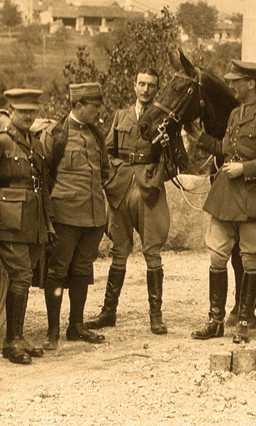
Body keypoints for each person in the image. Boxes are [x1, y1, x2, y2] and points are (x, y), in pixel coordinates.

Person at [187, 60, 256, 343]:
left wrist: (246, 169)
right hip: (226, 197)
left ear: (251, 84)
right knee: (217, 256)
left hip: (253, 197)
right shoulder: (234, 114)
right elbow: (226, 148)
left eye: (236, 81)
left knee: (250, 258)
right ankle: (215, 320)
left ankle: (244, 319)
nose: (230, 85)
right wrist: (202, 139)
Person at [85, 68, 170, 335]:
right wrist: (111, 179)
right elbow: (107, 151)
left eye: (151, 86)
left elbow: (175, 159)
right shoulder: (120, 116)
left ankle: (155, 316)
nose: (145, 90)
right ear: (133, 86)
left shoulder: (165, 119)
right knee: (119, 249)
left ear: (157, 89)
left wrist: (157, 178)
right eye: (141, 84)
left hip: (149, 187)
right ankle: (108, 312)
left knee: (152, 250)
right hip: (121, 188)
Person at [0, 88, 55, 364]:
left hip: (32, 220)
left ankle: (18, 337)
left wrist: (48, 220)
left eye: (32, 112)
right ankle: (11, 342)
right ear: (10, 112)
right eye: (22, 112)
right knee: (21, 275)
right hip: (8, 219)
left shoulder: (35, 142)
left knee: (25, 275)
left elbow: (42, 183)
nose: (28, 117)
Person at [42, 82, 109, 349]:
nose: (98, 112)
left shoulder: (96, 134)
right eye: (94, 107)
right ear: (78, 106)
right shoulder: (56, 134)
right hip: (65, 215)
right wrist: (49, 216)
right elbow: (44, 176)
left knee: (83, 270)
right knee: (58, 271)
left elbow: (105, 171)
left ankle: (76, 326)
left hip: (93, 217)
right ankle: (52, 331)